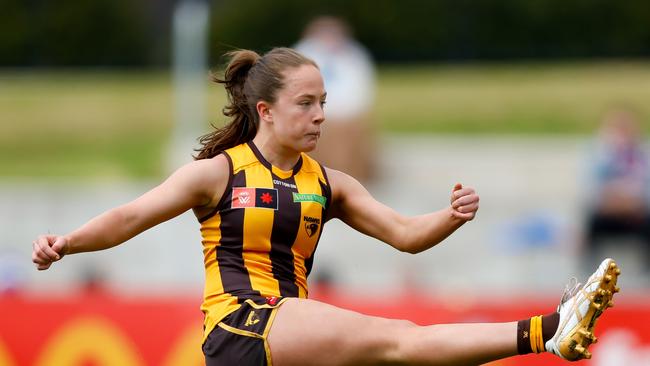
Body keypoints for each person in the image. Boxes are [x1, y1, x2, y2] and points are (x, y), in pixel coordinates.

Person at [32, 47, 620, 365]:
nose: (320, 116)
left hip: (285, 341)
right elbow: (130, 216)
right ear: (265, 111)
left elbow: (405, 235)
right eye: (306, 104)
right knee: (398, 342)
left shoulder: (329, 183)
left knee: (403, 348)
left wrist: (448, 216)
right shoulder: (219, 173)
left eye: (325, 102)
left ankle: (549, 331)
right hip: (243, 326)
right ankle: (547, 329)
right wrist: (66, 243)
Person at [294, 16, 376, 182]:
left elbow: (360, 92)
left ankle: (346, 180)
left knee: (346, 135)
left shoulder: (354, 56)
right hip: (312, 113)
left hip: (346, 116)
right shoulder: (303, 54)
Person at [583, 108, 650, 272]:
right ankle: (590, 275)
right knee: (592, 223)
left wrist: (631, 203)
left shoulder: (642, 156)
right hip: (607, 213)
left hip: (636, 214)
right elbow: (592, 188)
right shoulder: (599, 156)